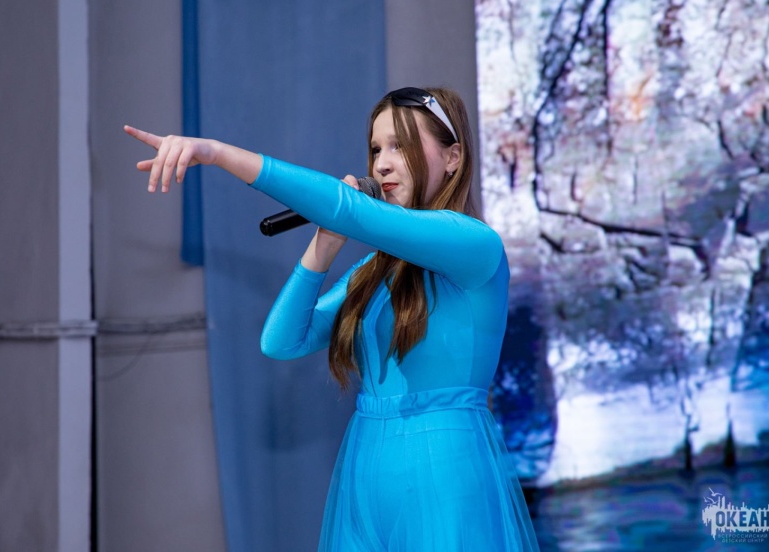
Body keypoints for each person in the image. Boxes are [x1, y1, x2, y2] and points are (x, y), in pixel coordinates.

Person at [125, 86, 540, 551]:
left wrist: (217, 153)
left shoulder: (476, 245)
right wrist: (325, 244)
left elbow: (350, 210)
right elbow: (281, 341)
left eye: (400, 145)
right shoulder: (373, 271)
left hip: (442, 470)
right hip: (367, 468)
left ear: (453, 157)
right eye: (376, 149)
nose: (382, 164)